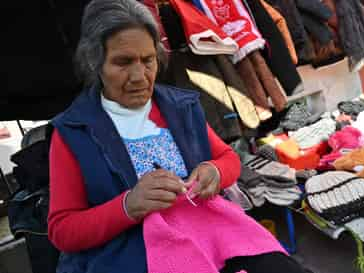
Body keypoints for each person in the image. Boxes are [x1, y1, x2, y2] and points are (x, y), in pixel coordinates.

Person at [48, 0, 312, 272]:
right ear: (95, 62)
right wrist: (128, 206)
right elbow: (62, 231)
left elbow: (228, 159)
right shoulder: (74, 132)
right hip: (133, 253)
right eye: (123, 62)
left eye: (148, 60)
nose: (140, 76)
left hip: (211, 231)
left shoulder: (179, 107)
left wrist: (214, 171)